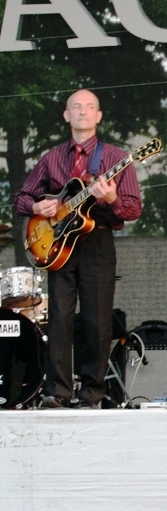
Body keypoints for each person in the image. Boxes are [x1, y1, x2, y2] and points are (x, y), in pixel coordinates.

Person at [14, 89, 142, 409]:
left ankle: (91, 393)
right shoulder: (52, 158)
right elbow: (21, 198)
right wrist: (38, 207)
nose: (83, 111)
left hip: (97, 240)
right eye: (76, 107)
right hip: (59, 243)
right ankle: (57, 391)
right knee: (59, 317)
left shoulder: (115, 158)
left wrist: (112, 198)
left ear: (98, 116)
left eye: (89, 107)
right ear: (66, 115)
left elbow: (133, 209)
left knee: (97, 320)